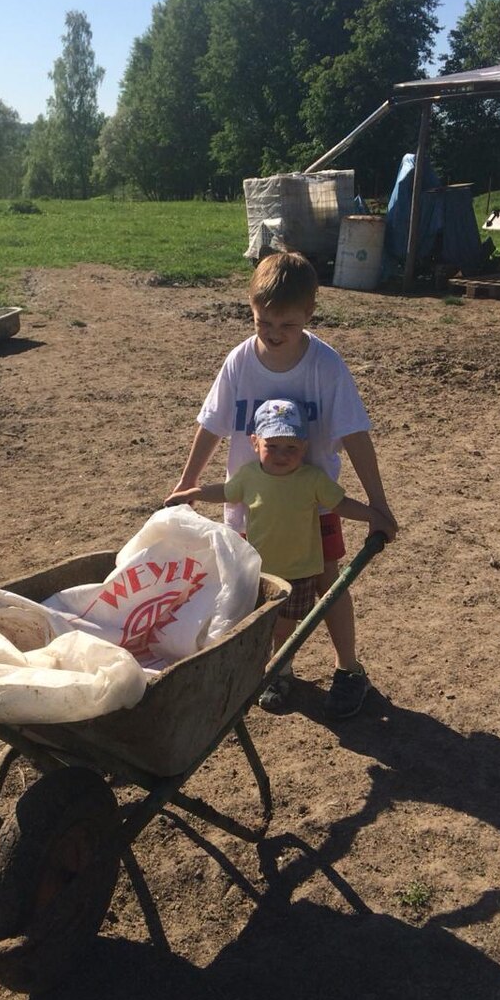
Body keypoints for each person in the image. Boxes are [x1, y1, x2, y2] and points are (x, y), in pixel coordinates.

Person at [168, 250, 397, 718]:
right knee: (261, 589)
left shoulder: (325, 367)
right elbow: (212, 425)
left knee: (329, 582)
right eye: (263, 322)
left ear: (310, 313)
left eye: (286, 325)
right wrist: (187, 484)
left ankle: (348, 669)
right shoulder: (239, 362)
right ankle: (279, 668)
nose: (273, 333)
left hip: (314, 507)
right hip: (253, 506)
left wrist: (379, 505)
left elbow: (355, 434)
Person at [166, 397, 392, 709]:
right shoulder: (249, 476)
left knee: (285, 625)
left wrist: (374, 515)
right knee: (263, 624)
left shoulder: (311, 479)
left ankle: (279, 671)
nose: (282, 455)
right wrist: (192, 492)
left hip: (299, 571)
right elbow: (226, 492)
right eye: (272, 446)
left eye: (291, 448)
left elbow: (341, 504)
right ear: (255, 442)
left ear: (304, 446)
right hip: (262, 571)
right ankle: (276, 669)